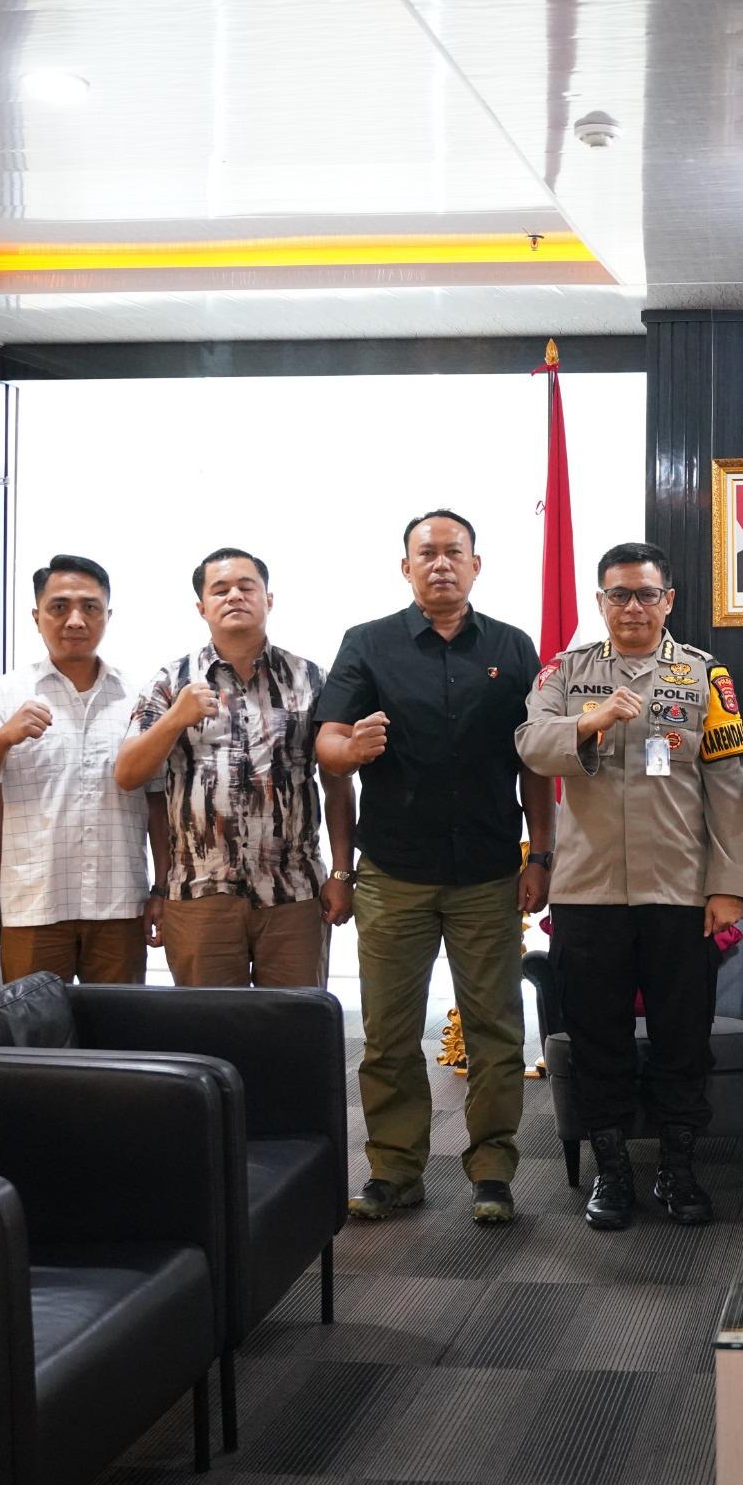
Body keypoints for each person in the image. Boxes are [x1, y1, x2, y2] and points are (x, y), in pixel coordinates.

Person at [317, 510, 552, 1226]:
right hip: (395, 871)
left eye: (455, 552)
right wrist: (351, 747)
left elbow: (535, 760)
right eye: (428, 553)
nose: (441, 563)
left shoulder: (512, 646)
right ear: (406, 567)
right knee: (389, 1033)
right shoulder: (368, 643)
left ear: (476, 565)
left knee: (496, 1030)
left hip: (488, 870)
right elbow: (327, 743)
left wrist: (542, 853)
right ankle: (395, 1169)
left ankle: (493, 1170)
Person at [516, 541, 743, 1231]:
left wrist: (729, 885)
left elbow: (728, 789)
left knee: (684, 1037)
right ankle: (612, 1171)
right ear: (600, 601)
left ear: (668, 600)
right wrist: (590, 721)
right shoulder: (566, 671)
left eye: (646, 594)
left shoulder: (705, 676)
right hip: (589, 891)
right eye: (618, 594)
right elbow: (531, 743)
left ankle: (678, 1169)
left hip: (680, 892)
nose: (632, 606)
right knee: (598, 1038)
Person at [115, 547, 353, 987]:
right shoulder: (172, 680)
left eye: (247, 586)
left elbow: (337, 783)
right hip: (199, 892)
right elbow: (128, 773)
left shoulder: (311, 679)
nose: (234, 596)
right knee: (209, 1023)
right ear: (201, 607)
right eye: (220, 589)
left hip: (294, 892)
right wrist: (175, 718)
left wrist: (341, 872)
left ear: (268, 599)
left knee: (293, 1021)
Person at [0, 554, 151, 983]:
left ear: (108, 616)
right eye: (59, 607)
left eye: (90, 607)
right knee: (32, 1023)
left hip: (120, 903)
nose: (75, 620)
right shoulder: (3, 694)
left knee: (118, 1022)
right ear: (36, 617)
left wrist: (164, 888)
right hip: (34, 903)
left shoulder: (138, 696)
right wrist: (4, 737)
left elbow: (157, 798)